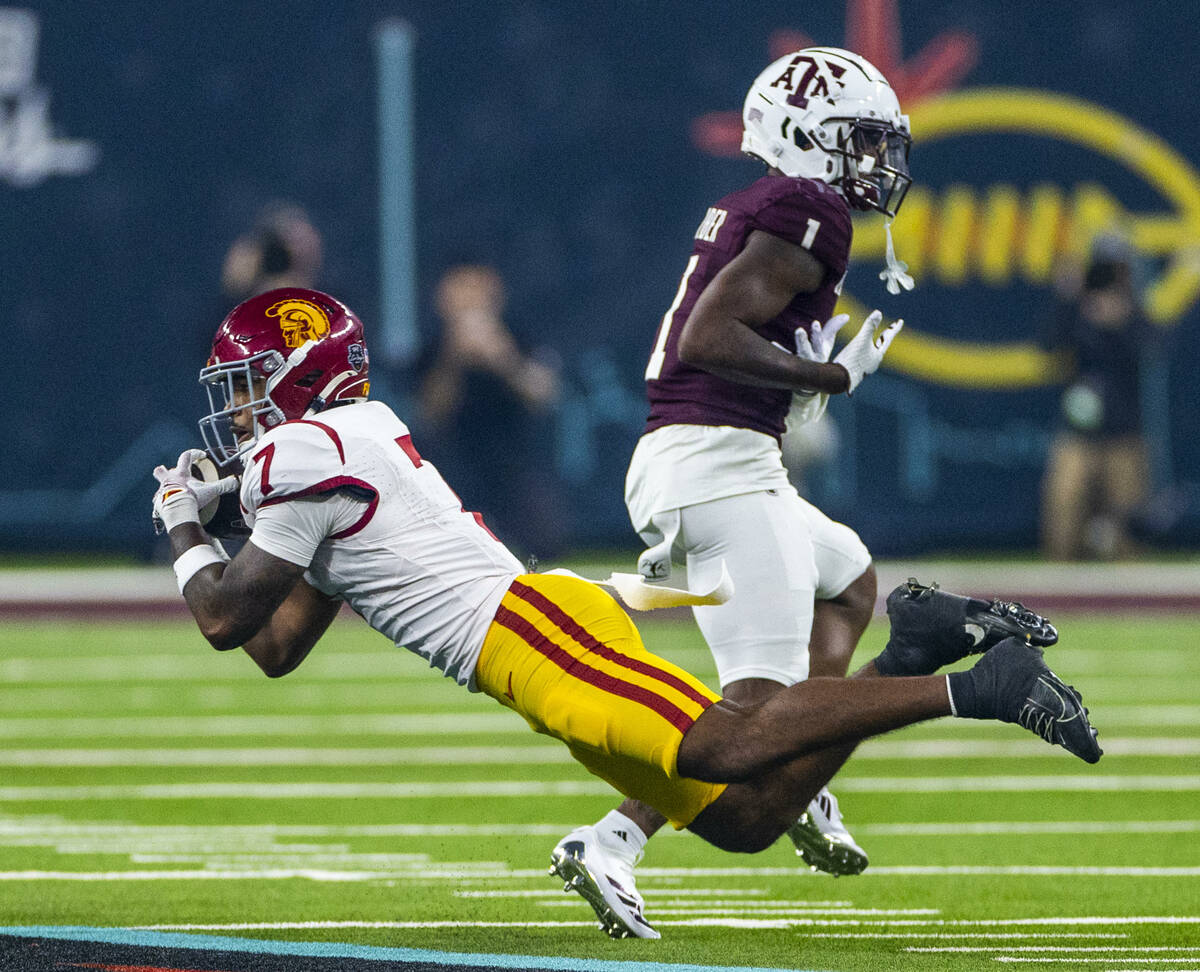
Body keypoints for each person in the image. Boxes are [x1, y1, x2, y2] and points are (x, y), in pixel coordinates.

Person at [152, 287, 1101, 941]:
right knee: (744, 818)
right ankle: (913, 654)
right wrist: (217, 520)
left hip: (534, 633)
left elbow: (226, 617)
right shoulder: (332, 450)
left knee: (733, 743)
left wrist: (184, 525)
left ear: (300, 375)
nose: (236, 413)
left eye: (247, 386)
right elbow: (276, 646)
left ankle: (980, 685)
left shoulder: (306, 453)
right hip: (528, 649)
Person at [553, 46, 916, 931]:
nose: (878, 163)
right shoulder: (809, 207)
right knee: (757, 703)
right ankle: (610, 842)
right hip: (715, 466)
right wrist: (827, 382)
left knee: (852, 580)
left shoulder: (773, 205)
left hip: (713, 460)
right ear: (808, 138)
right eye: (862, 141)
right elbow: (707, 339)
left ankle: (800, 781)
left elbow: (726, 340)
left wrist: (801, 372)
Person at [415, 264, 563, 559]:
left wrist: (501, 358)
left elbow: (543, 395)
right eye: (461, 290)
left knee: (547, 545)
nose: (470, 301)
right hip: (451, 468)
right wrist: (454, 357)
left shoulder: (519, 336)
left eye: (477, 290)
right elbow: (430, 413)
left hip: (515, 465)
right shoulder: (431, 348)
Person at [1040, 233, 1155, 560]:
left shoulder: (1133, 308)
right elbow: (1048, 345)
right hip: (1078, 430)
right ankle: (1060, 586)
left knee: (1129, 520)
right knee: (1063, 504)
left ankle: (1131, 593)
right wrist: (1066, 299)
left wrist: (1121, 322)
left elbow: (1151, 347)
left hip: (1123, 432)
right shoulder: (1077, 305)